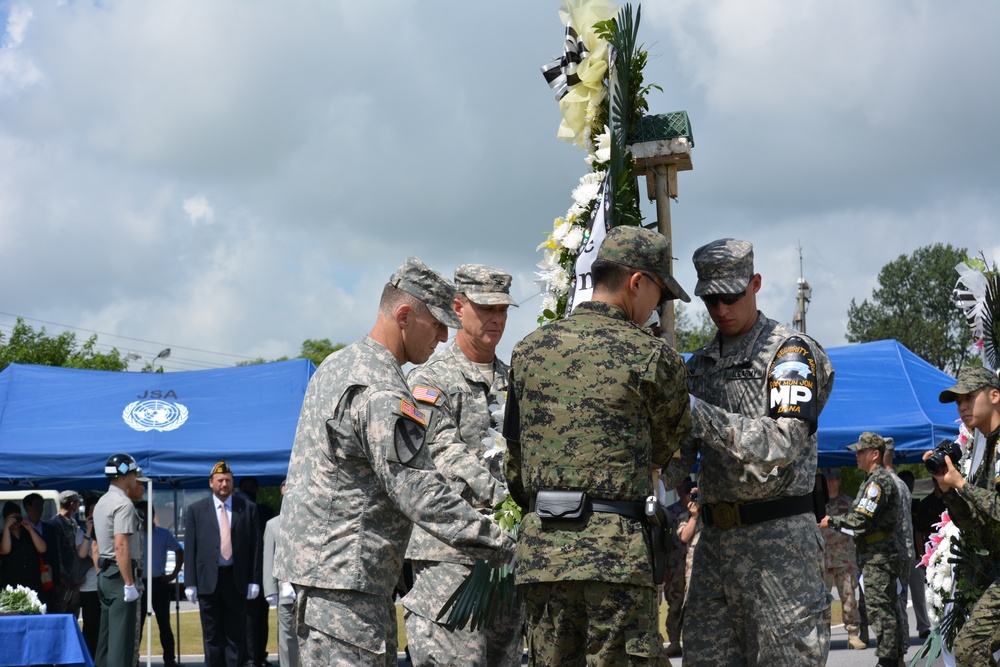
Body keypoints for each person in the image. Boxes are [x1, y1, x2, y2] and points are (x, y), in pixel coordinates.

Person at [275, 257, 516, 667]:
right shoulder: (382, 389)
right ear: (404, 315)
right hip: (348, 580)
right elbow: (418, 488)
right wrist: (501, 540)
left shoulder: (340, 364)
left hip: (338, 577)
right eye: (437, 323)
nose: (443, 335)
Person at [504, 225, 693, 665]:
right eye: (660, 295)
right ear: (637, 281)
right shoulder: (652, 356)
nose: (658, 309)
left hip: (542, 557)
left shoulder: (528, 351)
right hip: (616, 561)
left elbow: (514, 463)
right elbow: (667, 453)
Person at [662, 238, 835, 666]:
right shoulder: (697, 365)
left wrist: (699, 413)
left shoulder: (790, 352)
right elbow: (675, 461)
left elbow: (783, 442)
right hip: (715, 548)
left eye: (731, 297)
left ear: (755, 284)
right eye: (710, 300)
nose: (721, 309)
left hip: (779, 547)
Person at [401, 263, 523, 667]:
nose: (496, 319)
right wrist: (507, 497)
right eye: (486, 308)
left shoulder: (516, 381)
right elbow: (441, 450)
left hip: (507, 556)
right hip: (450, 557)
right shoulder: (430, 378)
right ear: (458, 308)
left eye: (503, 310)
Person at [925, 365, 1000, 666]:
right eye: (958, 401)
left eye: (969, 396)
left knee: (969, 647)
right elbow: (973, 523)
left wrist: (961, 484)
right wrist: (948, 490)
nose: (963, 406)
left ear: (995, 395)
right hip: (991, 566)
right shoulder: (987, 445)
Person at [821, 432, 905, 667]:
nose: (856, 455)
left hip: (879, 556)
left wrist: (832, 521)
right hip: (876, 554)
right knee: (886, 609)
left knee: (881, 611)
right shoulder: (873, 480)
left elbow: (860, 520)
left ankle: (887, 661)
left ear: (875, 454)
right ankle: (895, 659)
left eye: (861, 451)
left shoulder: (877, 483)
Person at [184, 460, 261, 667]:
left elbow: (255, 547)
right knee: (211, 636)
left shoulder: (248, 509)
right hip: (208, 581)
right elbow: (190, 548)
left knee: (235, 636)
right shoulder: (196, 510)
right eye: (220, 480)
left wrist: (254, 580)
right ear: (211, 483)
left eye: (227, 480)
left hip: (236, 580)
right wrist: (190, 582)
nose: (224, 484)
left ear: (232, 482)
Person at [93, 453, 142, 667]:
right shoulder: (124, 504)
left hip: (105, 573)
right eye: (133, 473)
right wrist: (129, 584)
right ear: (125, 474)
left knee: (105, 642)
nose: (135, 478)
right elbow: (121, 545)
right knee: (120, 646)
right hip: (119, 575)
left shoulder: (102, 502)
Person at [821, 468, 865, 649]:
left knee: (848, 598)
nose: (831, 482)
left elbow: (857, 526)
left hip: (844, 559)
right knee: (821, 601)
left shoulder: (849, 503)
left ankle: (853, 634)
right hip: (822, 559)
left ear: (839, 481)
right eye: (828, 479)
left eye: (834, 479)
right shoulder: (817, 504)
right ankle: (822, 637)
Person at [238, 476, 273, 667]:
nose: (249, 491)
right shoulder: (234, 512)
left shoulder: (265, 512)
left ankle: (259, 655)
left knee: (260, 618)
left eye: (252, 488)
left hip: (261, 572)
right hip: (238, 575)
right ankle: (244, 655)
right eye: (246, 488)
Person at [141, 507, 183, 667]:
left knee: (164, 623)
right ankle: (134, 658)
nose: (143, 518)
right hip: (141, 583)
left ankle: (170, 659)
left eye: (145, 514)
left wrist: (173, 574)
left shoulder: (164, 534)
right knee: (137, 624)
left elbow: (179, 551)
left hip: (159, 582)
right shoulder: (133, 535)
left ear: (152, 515)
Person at [263, 480, 297, 667]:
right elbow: (268, 558)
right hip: (285, 592)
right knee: (286, 640)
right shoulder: (272, 525)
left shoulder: (310, 522)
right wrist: (270, 590)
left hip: (309, 592)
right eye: (284, 495)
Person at [662, 479, 693, 657]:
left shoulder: (699, 510)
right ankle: (674, 642)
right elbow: (663, 542)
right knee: (674, 605)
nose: (685, 491)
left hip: (692, 567)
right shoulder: (670, 512)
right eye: (682, 487)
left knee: (691, 605)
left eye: (688, 487)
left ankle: (690, 641)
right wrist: (664, 566)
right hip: (674, 566)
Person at [898, 469, 930, 639]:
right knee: (900, 595)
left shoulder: (917, 504)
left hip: (915, 556)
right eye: (906, 483)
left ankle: (923, 626)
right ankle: (902, 628)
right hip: (900, 556)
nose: (909, 486)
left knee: (919, 594)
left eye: (911, 483)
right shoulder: (895, 503)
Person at [48, 490, 85, 615]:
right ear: (72, 504)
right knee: (59, 614)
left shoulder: (73, 523)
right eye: (77, 503)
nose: (78, 506)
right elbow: (56, 554)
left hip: (74, 580)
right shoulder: (55, 524)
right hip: (62, 582)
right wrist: (63, 579)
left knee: (73, 615)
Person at [0, 499, 48, 594]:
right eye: (11, 518)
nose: (15, 521)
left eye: (17, 517)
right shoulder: (2, 537)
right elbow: (5, 549)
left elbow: (43, 548)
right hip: (11, 585)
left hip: (33, 583)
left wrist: (30, 529)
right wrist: (6, 527)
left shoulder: (30, 533)